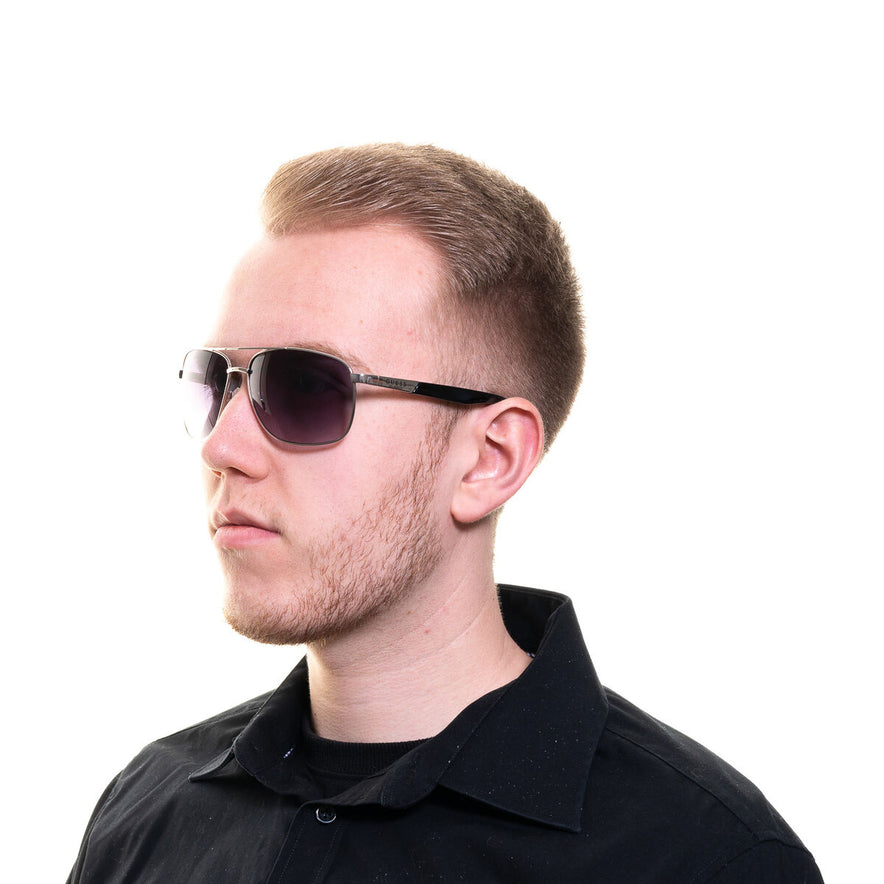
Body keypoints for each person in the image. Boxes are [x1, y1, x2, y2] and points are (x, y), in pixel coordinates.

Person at [68, 144, 823, 882]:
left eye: (303, 388)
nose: (222, 446)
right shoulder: (147, 808)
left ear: (491, 458)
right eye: (216, 381)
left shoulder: (707, 860)